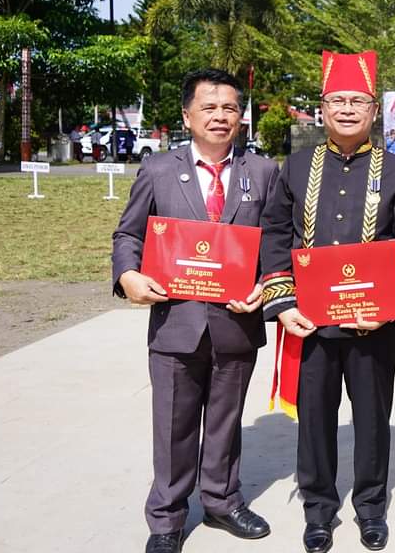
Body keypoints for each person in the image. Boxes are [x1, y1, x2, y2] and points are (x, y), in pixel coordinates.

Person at [259, 50, 395, 553]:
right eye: (337, 100)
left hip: (372, 323)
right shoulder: (296, 166)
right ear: (323, 108)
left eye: (358, 101)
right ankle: (319, 510)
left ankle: (371, 507)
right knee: (315, 419)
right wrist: (283, 302)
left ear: (374, 110)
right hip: (309, 322)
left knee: (372, 418)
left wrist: (390, 305)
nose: (347, 109)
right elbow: (275, 231)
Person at [111, 69, 280, 553]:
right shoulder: (158, 169)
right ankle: (167, 518)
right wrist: (128, 276)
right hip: (176, 321)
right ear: (187, 116)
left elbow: (276, 244)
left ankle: (223, 500)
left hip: (236, 320)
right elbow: (128, 234)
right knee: (173, 425)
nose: (220, 116)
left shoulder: (263, 172)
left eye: (229, 108)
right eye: (209, 107)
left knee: (226, 421)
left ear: (241, 116)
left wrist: (267, 287)